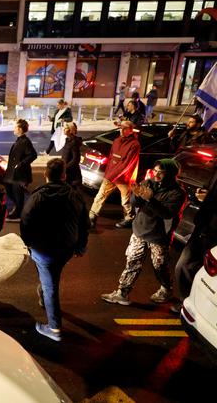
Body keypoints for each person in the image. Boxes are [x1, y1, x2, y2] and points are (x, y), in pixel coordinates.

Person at [20, 159, 89, 342]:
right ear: (64, 175)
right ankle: (44, 297)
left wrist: (28, 242)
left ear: (46, 175)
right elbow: (84, 224)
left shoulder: (38, 197)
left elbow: (26, 220)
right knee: (50, 277)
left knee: (51, 286)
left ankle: (54, 328)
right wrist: (81, 245)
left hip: (43, 249)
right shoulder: (75, 196)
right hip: (66, 248)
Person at [101, 159, 187, 306]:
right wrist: (137, 196)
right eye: (155, 171)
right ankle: (122, 293)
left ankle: (166, 289)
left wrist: (150, 199)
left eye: (161, 172)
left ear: (171, 174)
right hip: (140, 229)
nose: (157, 174)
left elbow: (167, 213)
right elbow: (136, 204)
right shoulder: (148, 183)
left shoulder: (177, 193)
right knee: (133, 261)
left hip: (159, 236)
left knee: (159, 265)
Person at [173, 169, 217, 314]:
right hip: (203, 226)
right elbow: (208, 187)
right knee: (183, 267)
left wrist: (209, 200)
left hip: (214, 232)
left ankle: (198, 308)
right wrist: (204, 193)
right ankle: (186, 301)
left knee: (206, 276)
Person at [89, 120, 140, 229]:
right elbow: (112, 157)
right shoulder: (117, 141)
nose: (121, 130)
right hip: (111, 175)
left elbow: (126, 164)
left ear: (131, 130)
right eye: (121, 127)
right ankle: (92, 216)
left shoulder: (134, 144)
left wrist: (111, 175)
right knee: (100, 196)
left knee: (125, 201)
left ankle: (129, 219)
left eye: (125, 128)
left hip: (123, 178)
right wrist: (108, 174)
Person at [4, 119, 37, 221]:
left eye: (15, 127)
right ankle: (18, 208)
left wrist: (20, 164)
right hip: (13, 173)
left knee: (18, 193)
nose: (14, 129)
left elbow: (33, 155)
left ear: (20, 129)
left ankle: (18, 212)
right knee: (8, 188)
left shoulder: (25, 141)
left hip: (20, 174)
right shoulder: (19, 140)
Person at [60, 122, 82, 187]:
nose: (63, 129)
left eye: (65, 128)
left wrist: (65, 168)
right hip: (67, 173)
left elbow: (76, 159)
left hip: (72, 175)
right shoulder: (68, 140)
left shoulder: (74, 142)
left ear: (71, 130)